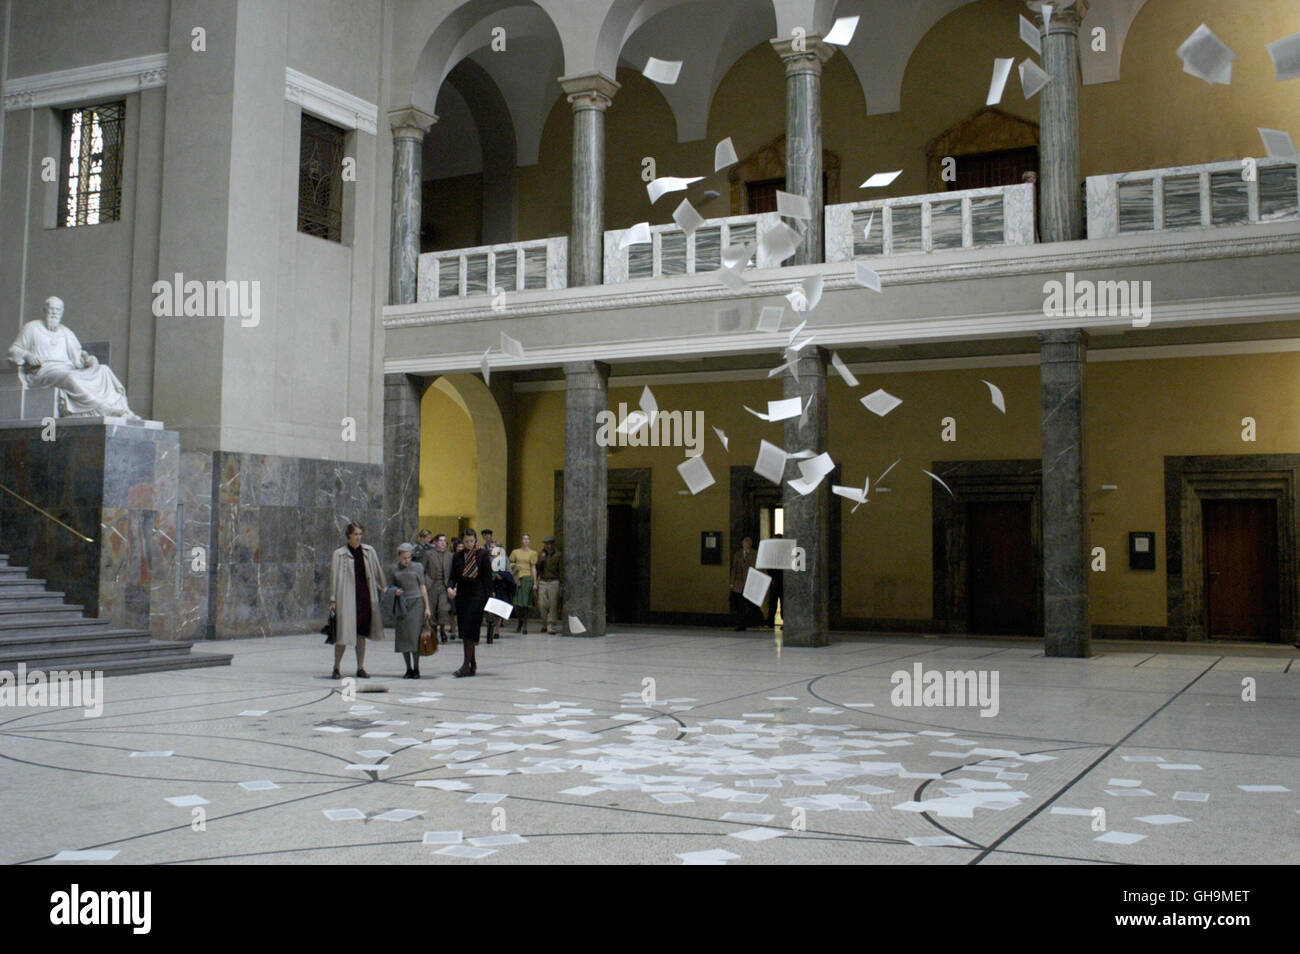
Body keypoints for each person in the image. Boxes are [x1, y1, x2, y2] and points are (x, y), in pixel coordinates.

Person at [8, 296, 142, 420]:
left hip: (69, 368)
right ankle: (103, 408)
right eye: (52, 309)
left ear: (62, 312)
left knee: (103, 370)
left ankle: (123, 409)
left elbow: (78, 354)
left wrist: (88, 359)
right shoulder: (31, 328)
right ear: (45, 310)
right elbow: (14, 350)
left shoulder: (66, 332)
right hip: (44, 371)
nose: (55, 313)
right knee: (69, 377)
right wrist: (27, 355)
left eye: (58, 310)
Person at [329, 522, 385, 679]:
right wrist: (332, 600)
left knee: (361, 634)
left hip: (364, 597)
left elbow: (377, 570)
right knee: (342, 634)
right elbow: (333, 578)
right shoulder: (339, 554)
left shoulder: (369, 551)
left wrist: (384, 587)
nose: (358, 537)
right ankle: (336, 667)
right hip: (346, 598)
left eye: (360, 534)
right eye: (355, 534)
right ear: (349, 535)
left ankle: (360, 667)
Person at [448, 528, 491, 677]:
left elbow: (487, 578)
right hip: (463, 596)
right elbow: (453, 575)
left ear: (475, 540)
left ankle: (466, 665)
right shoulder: (458, 556)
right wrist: (450, 587)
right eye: (466, 541)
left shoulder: (482, 555)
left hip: (477, 596)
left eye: (471, 541)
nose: (469, 544)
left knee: (470, 631)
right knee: (465, 631)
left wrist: (487, 600)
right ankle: (472, 664)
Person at [390, 543, 431, 678]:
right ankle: (408, 668)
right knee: (404, 638)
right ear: (399, 557)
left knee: (415, 638)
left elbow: (422, 586)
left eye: (409, 557)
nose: (407, 560)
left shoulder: (418, 567)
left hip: (416, 604)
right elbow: (389, 587)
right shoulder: (393, 569)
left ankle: (417, 668)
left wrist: (427, 607)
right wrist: (395, 591)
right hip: (402, 605)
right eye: (404, 558)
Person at [421, 532, 454, 643]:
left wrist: (451, 586)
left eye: (445, 541)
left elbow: (452, 572)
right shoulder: (428, 554)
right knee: (432, 608)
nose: (443, 543)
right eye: (441, 541)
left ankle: (442, 629)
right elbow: (423, 569)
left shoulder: (450, 556)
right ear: (435, 542)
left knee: (443, 608)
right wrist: (424, 582)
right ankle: (434, 630)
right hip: (431, 584)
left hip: (444, 585)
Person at [508, 533, 538, 634]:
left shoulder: (532, 553)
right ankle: (519, 621)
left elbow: (533, 567)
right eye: (524, 539)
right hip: (517, 577)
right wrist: (515, 567)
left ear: (529, 541)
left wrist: (535, 582)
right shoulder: (515, 552)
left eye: (527, 539)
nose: (525, 541)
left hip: (527, 578)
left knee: (525, 603)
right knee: (516, 603)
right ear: (521, 540)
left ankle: (525, 624)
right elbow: (510, 563)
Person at [730, 534, 758, 631]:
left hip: (751, 581)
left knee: (749, 604)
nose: (748, 543)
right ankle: (740, 624)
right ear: (742, 542)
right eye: (746, 540)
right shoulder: (737, 554)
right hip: (739, 582)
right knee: (739, 604)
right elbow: (734, 568)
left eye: (749, 541)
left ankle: (750, 621)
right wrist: (732, 582)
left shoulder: (755, 553)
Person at [535, 536, 562, 635]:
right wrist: (540, 560)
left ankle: (550, 625)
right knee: (542, 604)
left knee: (553, 604)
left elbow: (561, 570)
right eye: (546, 544)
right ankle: (544, 622)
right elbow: (537, 569)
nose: (548, 546)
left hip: (554, 581)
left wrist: (561, 584)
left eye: (549, 544)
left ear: (553, 544)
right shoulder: (541, 554)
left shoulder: (558, 555)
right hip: (543, 580)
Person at [485, 541, 510, 643]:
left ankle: (497, 630)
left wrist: (503, 576)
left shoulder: (504, 559)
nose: (491, 549)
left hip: (500, 586)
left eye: (493, 547)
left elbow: (508, 572)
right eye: (490, 547)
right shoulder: (487, 558)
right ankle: (490, 626)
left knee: (498, 609)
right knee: (489, 609)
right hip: (489, 585)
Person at [766, 532, 784, 628]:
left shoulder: (785, 552)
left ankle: (784, 621)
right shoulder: (771, 553)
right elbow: (768, 566)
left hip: (782, 580)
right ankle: (770, 621)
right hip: (774, 580)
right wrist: (771, 578)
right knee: (772, 602)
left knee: (783, 602)